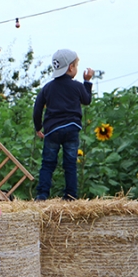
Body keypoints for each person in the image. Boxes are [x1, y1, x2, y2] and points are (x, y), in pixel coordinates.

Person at [33, 49, 94, 201]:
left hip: (53, 130)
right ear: (70, 68)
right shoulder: (77, 86)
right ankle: (70, 196)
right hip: (72, 129)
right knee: (70, 164)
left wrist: (38, 127)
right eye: (76, 65)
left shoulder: (48, 88)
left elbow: (37, 108)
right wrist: (87, 81)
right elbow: (86, 100)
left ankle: (42, 195)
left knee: (48, 163)